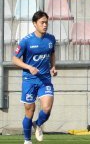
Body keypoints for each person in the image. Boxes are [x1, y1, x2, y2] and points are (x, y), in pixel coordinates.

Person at [12, 11, 56, 144]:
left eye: (46, 22)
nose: (45, 25)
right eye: (42, 22)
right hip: (29, 81)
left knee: (47, 108)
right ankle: (27, 141)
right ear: (34, 24)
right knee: (29, 110)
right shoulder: (26, 41)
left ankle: (38, 124)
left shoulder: (51, 39)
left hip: (45, 80)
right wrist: (28, 67)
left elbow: (52, 53)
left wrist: (53, 66)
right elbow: (15, 59)